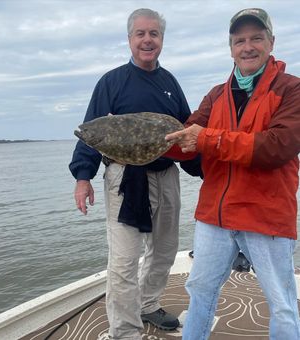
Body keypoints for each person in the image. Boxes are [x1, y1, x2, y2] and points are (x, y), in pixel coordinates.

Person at [164, 7, 300, 340]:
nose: (247, 46)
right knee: (200, 289)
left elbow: (275, 147)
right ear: (230, 48)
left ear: (271, 42)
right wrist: (132, 134)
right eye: (240, 40)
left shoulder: (292, 90)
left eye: (256, 38)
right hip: (215, 215)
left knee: (281, 302)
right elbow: (185, 140)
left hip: (265, 215)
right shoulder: (215, 95)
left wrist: (204, 138)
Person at [69, 8, 202, 340]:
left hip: (165, 175)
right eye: (140, 33)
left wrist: (204, 170)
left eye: (154, 34)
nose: (147, 40)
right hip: (125, 178)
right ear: (130, 39)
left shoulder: (170, 82)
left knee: (165, 250)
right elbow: (92, 132)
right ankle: (124, 331)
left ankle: (148, 303)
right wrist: (82, 177)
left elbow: (184, 134)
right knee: (125, 261)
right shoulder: (111, 82)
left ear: (161, 40)